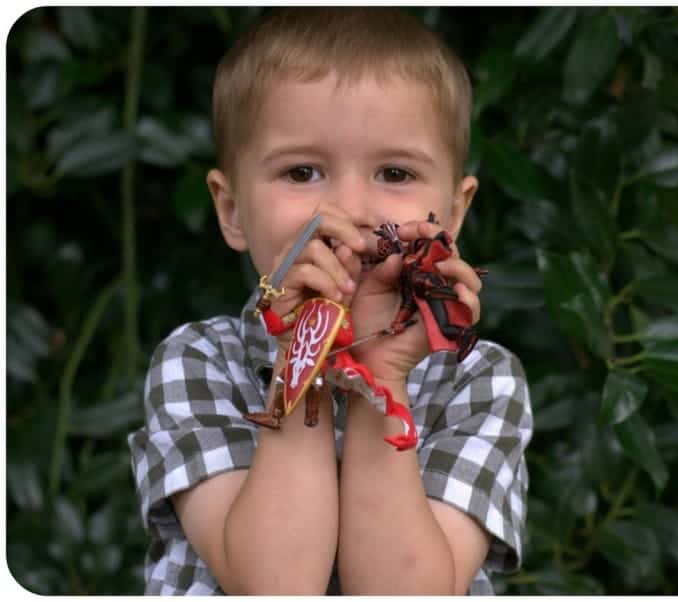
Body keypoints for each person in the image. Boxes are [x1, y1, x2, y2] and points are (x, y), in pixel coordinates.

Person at [126, 7, 532, 595]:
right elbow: (274, 586)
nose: (350, 211)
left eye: (394, 172)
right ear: (232, 210)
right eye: (302, 172)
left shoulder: (480, 381)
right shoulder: (197, 364)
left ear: (455, 210)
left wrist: (379, 377)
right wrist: (306, 354)